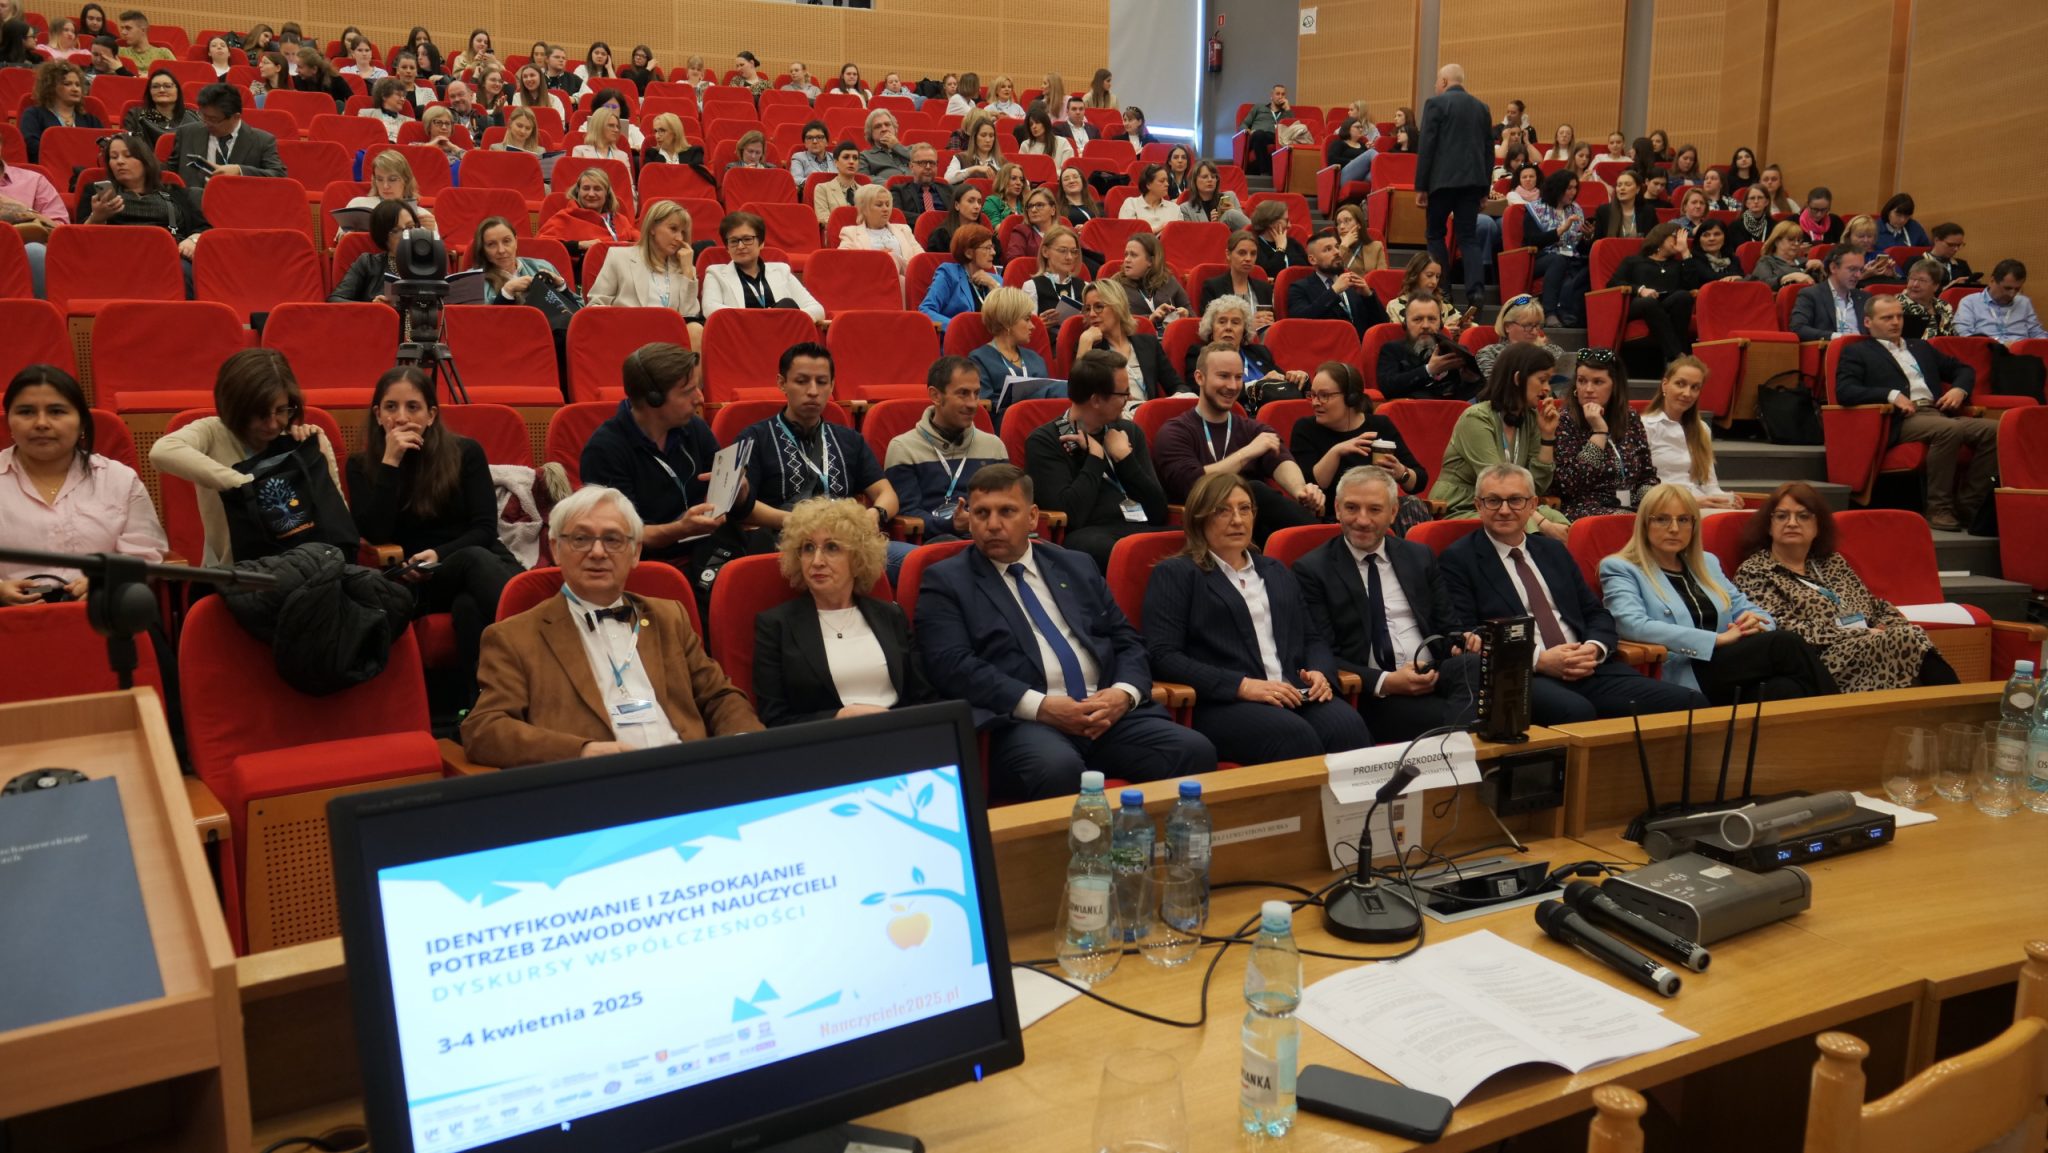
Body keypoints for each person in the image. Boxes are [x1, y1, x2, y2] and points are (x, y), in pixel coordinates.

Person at [916, 464, 1214, 800]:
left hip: (1105, 712)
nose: (993, 524)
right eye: (981, 513)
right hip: (1026, 722)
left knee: (1192, 749)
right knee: (1056, 769)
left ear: (1032, 517)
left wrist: (1123, 694)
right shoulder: (947, 580)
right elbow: (952, 665)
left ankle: (1154, 850)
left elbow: (1126, 640)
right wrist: (1041, 707)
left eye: (1006, 512)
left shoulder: (1076, 565)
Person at [461, 485, 762, 767]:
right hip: (597, 790)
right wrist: (583, 751)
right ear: (555, 548)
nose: (597, 552)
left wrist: (744, 743)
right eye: (580, 539)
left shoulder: (670, 617)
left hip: (690, 776)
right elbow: (484, 729)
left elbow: (720, 696)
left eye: (613, 539)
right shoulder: (514, 636)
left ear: (635, 552)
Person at [1441, 462, 1707, 722]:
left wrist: (1594, 648)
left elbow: (1595, 613)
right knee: (1577, 711)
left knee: (1690, 703)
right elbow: (1468, 634)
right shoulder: (1459, 559)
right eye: (1493, 501)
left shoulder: (1553, 551)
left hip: (1589, 668)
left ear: (1533, 505)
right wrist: (1538, 660)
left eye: (1515, 500)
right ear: (1478, 506)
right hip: (1523, 675)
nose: (1504, 510)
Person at [1144, 472, 1371, 761]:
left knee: (1347, 727)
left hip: (1292, 691)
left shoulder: (1275, 570)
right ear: (1199, 518)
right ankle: (1298, 809)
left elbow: (1312, 637)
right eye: (1222, 511)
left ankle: (1348, 810)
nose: (1237, 520)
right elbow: (1162, 655)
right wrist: (1242, 685)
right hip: (1223, 702)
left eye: (1244, 509)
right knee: (1292, 736)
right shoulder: (1178, 574)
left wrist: (1320, 673)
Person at [346, 367, 521, 700]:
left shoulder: (466, 452)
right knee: (473, 562)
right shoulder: (361, 466)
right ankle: (543, 640)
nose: (401, 417)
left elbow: (484, 528)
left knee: (470, 609)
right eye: (390, 407)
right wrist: (390, 463)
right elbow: (375, 534)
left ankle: (479, 709)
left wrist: (441, 553)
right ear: (377, 415)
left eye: (413, 407)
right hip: (416, 577)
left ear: (431, 415)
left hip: (478, 560)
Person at [1295, 464, 1484, 741]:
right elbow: (1322, 652)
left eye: (1374, 509)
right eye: (1351, 508)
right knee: (1469, 718)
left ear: (1393, 512)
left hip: (1430, 672)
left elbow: (1448, 629)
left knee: (1478, 670)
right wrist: (1387, 682)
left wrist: (1461, 641)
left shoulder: (1419, 557)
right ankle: (1463, 747)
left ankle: (1460, 742)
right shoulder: (1313, 570)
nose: (1362, 520)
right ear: (1336, 509)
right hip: (1373, 692)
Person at [1600, 485, 1835, 706]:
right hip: (1683, 668)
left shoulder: (1706, 563)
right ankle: (1844, 721)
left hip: (1728, 665)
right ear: (1644, 525)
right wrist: (1715, 640)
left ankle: (1830, 742)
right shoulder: (1621, 567)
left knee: (1786, 689)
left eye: (1683, 520)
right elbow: (1630, 625)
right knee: (1785, 643)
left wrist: (1755, 623)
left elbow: (1748, 608)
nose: (1674, 528)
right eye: (1662, 519)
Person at [1732, 482, 1957, 693]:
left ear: (1818, 526)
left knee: (1907, 636)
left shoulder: (1832, 562)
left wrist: (1892, 626)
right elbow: (1782, 631)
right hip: (1819, 661)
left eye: (1803, 516)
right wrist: (1860, 632)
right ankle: (1961, 710)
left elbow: (1874, 605)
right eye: (1782, 516)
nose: (1792, 523)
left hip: (1869, 646)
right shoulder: (1757, 571)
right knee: (1909, 641)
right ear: (1769, 526)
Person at [578, 343, 752, 601]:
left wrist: (739, 489)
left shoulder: (693, 428)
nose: (700, 398)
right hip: (651, 567)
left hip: (709, 550)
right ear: (654, 400)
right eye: (688, 391)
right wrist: (681, 528)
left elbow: (735, 506)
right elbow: (625, 536)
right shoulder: (605, 450)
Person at [149, 348, 341, 566]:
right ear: (236, 409)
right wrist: (244, 484)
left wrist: (314, 454)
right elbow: (162, 451)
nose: (273, 424)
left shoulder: (301, 439)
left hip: (307, 570)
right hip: (235, 575)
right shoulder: (213, 432)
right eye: (260, 414)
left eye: (281, 410)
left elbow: (336, 520)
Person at [751, 497, 932, 728]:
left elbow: (923, 698)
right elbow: (774, 719)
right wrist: (839, 718)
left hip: (899, 736)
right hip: (825, 747)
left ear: (857, 558)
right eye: (808, 548)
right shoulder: (775, 626)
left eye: (832, 547)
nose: (816, 561)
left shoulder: (891, 615)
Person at [0, 365, 166, 604]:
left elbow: (145, 553)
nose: (41, 423)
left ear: (81, 424)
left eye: (56, 411)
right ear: (10, 424)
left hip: (104, 610)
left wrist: (109, 582)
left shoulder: (118, 479)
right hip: (9, 617)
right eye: (26, 412)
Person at [737, 343, 907, 575]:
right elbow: (743, 507)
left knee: (919, 561)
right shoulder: (756, 437)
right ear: (781, 383)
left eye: (822, 382)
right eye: (802, 381)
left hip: (848, 543)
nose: (813, 391)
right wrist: (796, 521)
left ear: (832, 385)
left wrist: (875, 513)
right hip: (785, 544)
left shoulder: (849, 439)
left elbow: (887, 494)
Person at [1837, 294, 1998, 532]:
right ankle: (1938, 508)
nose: (1895, 322)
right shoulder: (1858, 352)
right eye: (1887, 317)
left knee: (1997, 430)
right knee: (1949, 430)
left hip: (1937, 413)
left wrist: (1959, 390)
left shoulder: (1920, 347)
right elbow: (1845, 391)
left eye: (1899, 316)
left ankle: (1968, 503)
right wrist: (1890, 394)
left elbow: (1963, 369)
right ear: (1868, 322)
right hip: (1900, 419)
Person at [1152, 343, 1324, 543]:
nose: (1233, 386)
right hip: (1202, 525)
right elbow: (1194, 484)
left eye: (1238, 377)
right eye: (1223, 376)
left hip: (1252, 527)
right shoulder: (1174, 432)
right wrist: (1248, 453)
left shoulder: (1251, 428)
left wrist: (1301, 492)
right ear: (1199, 377)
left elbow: (1280, 456)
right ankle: (1324, 543)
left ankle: (1320, 542)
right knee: (1253, 490)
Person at [1024, 349, 1169, 571]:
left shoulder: (1127, 432)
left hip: (1139, 527)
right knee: (1120, 551)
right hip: (1090, 535)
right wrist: (1096, 457)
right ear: (1096, 400)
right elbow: (1071, 515)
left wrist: (1125, 458)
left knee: (1197, 542)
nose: (1129, 399)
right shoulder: (1046, 441)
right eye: (1123, 393)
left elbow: (1158, 512)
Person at [1433, 343, 1567, 535]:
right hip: (1465, 506)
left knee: (1566, 525)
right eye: (1542, 380)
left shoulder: (1530, 418)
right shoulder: (1476, 418)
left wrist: (1547, 436)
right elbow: (1497, 484)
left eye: (1549, 382)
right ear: (1518, 379)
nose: (1547, 389)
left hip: (1511, 505)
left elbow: (1535, 486)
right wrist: (1544, 524)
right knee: (1533, 528)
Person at [883, 356, 1009, 543]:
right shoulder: (904, 448)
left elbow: (1007, 503)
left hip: (990, 538)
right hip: (936, 542)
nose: (973, 404)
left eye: (976, 393)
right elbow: (907, 515)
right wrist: (951, 524)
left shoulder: (993, 446)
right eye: (963, 393)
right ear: (935, 396)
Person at [1293, 360, 1427, 509]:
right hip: (1332, 515)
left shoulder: (1380, 426)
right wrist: (1336, 452)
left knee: (1413, 505)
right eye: (1313, 395)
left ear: (1351, 398)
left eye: (1324, 396)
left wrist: (1402, 473)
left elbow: (1419, 482)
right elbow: (1310, 487)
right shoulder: (1305, 429)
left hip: (1377, 512)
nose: (1315, 403)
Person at [1415, 64, 1492, 311]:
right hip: (1473, 183)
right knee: (1468, 237)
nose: (1436, 86)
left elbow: (1427, 147)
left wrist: (1421, 186)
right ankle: (1476, 292)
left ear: (1445, 82)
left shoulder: (1435, 104)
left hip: (1442, 183)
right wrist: (1484, 189)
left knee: (1435, 234)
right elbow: (1488, 152)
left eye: (1437, 81)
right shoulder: (1482, 108)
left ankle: (1443, 288)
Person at [1554, 345, 1658, 521]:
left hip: (1631, 505)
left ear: (1614, 386)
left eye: (1598, 382)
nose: (1588, 389)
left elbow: (1646, 476)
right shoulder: (1564, 421)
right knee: (1630, 520)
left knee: (1671, 514)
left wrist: (1655, 500)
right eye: (1582, 381)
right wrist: (1599, 432)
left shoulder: (1629, 417)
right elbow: (1569, 485)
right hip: (1584, 507)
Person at [78, 132, 208, 261]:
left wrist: (193, 239)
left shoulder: (177, 193)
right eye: (114, 157)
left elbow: (204, 228)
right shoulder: (96, 193)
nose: (120, 162)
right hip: (115, 257)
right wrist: (96, 218)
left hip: (168, 256)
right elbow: (77, 240)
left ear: (145, 160)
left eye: (128, 155)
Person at [585, 198, 699, 346]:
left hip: (669, 344)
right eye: (673, 229)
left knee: (695, 329)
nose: (679, 238)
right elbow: (596, 305)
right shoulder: (619, 257)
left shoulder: (684, 267)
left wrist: (688, 271)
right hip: (627, 337)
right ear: (652, 228)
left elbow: (689, 315)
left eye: (683, 232)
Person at [1642, 355, 1741, 509]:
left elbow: (1710, 486)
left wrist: (1726, 499)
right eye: (1680, 384)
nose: (1687, 393)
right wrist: (1691, 502)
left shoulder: (1702, 429)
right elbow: (1638, 488)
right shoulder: (1644, 426)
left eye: (1695, 387)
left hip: (1699, 503)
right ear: (1665, 385)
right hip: (1665, 506)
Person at [701, 209, 824, 323]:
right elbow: (710, 309)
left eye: (747, 239)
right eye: (733, 241)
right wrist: (761, 318)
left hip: (781, 333)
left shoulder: (781, 270)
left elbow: (817, 310)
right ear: (727, 248)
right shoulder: (715, 273)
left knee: (787, 303)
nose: (740, 246)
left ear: (761, 243)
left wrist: (784, 315)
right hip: (740, 337)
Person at [1074, 279, 1182, 406]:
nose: (1091, 314)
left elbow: (1176, 385)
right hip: (1116, 417)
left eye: (1099, 307)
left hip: (1148, 414)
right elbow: (1079, 397)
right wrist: (1085, 344)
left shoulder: (1148, 343)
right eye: (1087, 309)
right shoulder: (1089, 347)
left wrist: (1179, 396)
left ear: (1118, 306)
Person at [1607, 222, 1700, 362]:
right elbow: (1612, 284)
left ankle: (1675, 357)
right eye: (1676, 236)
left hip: (1665, 304)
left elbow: (1692, 286)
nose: (1680, 241)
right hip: (1637, 304)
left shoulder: (1677, 265)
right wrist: (1640, 289)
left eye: (1682, 238)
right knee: (1649, 302)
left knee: (1683, 296)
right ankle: (1678, 355)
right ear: (1661, 237)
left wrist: (1685, 252)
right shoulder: (1634, 261)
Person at [171, 83, 283, 191]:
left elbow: (279, 175)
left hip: (240, 204)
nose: (206, 123)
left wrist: (240, 171)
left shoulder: (263, 140)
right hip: (191, 205)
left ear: (236, 117)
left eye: (214, 120)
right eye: (203, 116)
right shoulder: (187, 133)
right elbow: (170, 172)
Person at [1377, 296, 1481, 402]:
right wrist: (1429, 370)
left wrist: (1470, 381)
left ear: (1440, 323)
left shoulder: (1456, 352)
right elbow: (1388, 388)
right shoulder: (1392, 350)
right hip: (1410, 412)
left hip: (1450, 413)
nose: (1426, 325)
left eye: (1431, 319)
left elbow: (1469, 395)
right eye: (1418, 319)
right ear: (1406, 324)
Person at [1289, 228, 1389, 337]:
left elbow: (1381, 324)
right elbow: (1300, 322)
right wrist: (1334, 291)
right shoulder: (1299, 288)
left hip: (1359, 348)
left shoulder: (1353, 284)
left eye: (1337, 247)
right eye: (1327, 249)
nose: (1337, 252)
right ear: (1313, 260)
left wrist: (1368, 296)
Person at [1187, 294, 1301, 389]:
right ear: (1211, 328)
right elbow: (1201, 390)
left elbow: (1281, 380)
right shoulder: (1199, 353)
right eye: (1222, 322)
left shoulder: (1259, 353)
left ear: (1244, 331)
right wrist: (1258, 385)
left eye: (1235, 322)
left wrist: (1297, 378)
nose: (1228, 327)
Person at [1526, 169, 1593, 327]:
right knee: (1558, 260)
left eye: (1575, 188)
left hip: (1571, 256)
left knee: (1585, 264)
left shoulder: (1576, 209)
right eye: (1569, 188)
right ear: (1558, 188)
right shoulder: (1535, 209)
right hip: (1540, 259)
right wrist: (1560, 230)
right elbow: (1531, 241)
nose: (1573, 192)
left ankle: (1574, 317)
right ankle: (1549, 312)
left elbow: (1579, 247)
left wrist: (1587, 237)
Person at [965, 286, 1050, 406]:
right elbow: (984, 405)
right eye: (1026, 319)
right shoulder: (979, 359)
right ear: (1007, 322)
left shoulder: (1036, 359)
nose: (1032, 326)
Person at [328, 199, 419, 303]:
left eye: (410, 227)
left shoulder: (431, 263)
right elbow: (334, 300)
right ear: (383, 236)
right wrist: (373, 308)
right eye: (395, 231)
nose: (406, 234)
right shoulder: (368, 263)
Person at [919, 224, 1001, 333]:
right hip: (959, 344)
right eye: (987, 248)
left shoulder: (996, 280)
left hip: (991, 346)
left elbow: (1011, 319)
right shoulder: (949, 274)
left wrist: (993, 286)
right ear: (968, 253)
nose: (993, 253)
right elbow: (925, 311)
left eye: (993, 247)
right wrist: (960, 329)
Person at [21, 59, 101, 162]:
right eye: (67, 84)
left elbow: (103, 149)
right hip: (48, 168)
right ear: (51, 87)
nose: (75, 89)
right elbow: (33, 147)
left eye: (78, 85)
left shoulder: (91, 120)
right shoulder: (34, 115)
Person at [543, 168, 637, 254]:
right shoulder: (564, 218)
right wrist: (579, 245)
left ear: (607, 194)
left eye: (597, 189)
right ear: (578, 192)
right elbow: (544, 246)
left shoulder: (621, 220)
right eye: (586, 188)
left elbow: (642, 244)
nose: (591, 194)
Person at [1477, 295, 1569, 381]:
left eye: (1537, 325)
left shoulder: (1554, 351)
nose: (1534, 332)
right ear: (1507, 326)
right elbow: (1498, 388)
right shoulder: (1490, 354)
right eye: (1527, 325)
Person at [1954, 260, 2047, 344]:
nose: (2012, 294)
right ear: (1992, 281)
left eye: (2017, 289)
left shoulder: (2024, 302)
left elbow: (2037, 333)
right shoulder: (1970, 302)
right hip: (1986, 352)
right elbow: (1963, 336)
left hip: (2021, 354)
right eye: (2007, 288)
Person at [836, 181, 919, 274]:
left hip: (905, 278)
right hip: (870, 281)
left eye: (888, 205)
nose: (885, 209)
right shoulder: (850, 233)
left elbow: (920, 260)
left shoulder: (904, 230)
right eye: (879, 205)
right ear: (864, 209)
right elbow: (844, 263)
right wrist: (877, 258)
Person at [1789, 248, 1870, 342]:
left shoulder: (1865, 298)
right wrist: (1835, 337)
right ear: (1833, 268)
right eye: (1852, 269)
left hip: (1863, 350)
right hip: (1831, 349)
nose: (1858, 275)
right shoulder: (1811, 294)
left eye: (1861, 270)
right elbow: (1798, 328)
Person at [1115, 231, 1191, 327]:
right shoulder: (1115, 285)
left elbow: (1194, 319)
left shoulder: (1168, 281)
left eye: (1133, 255)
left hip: (1168, 337)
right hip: (1136, 339)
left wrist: (1186, 315)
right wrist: (1149, 319)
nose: (1127, 260)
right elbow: (1114, 323)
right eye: (1126, 255)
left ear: (1150, 261)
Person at [1384, 250, 1469, 331]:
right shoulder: (1395, 306)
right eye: (1429, 275)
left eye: (1437, 276)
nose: (1434, 282)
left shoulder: (1444, 305)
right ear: (1415, 275)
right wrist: (1442, 332)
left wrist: (1464, 326)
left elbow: (1457, 324)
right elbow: (1401, 337)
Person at [1202, 230, 1275, 322]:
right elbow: (1209, 326)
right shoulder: (1213, 287)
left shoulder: (1265, 289)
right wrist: (1250, 326)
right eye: (1242, 253)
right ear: (1228, 254)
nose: (1248, 258)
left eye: (1253, 254)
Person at [1022, 222, 1087, 324]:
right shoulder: (1032, 287)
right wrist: (1039, 325)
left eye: (1074, 251)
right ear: (1045, 252)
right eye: (1062, 250)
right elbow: (1024, 332)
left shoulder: (1085, 286)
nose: (1069, 257)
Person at [122, 68, 197, 149]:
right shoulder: (136, 115)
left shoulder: (193, 116)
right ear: (149, 92)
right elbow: (129, 146)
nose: (161, 90)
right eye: (155, 86)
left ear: (177, 91)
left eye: (167, 86)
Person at [1236, 84, 1291, 176]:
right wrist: (1248, 130)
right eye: (1277, 94)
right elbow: (1243, 124)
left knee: (1278, 140)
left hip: (1275, 137)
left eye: (1283, 94)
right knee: (1259, 134)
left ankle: (1260, 169)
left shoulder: (1286, 112)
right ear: (1271, 95)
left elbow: (1291, 129)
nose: (1280, 96)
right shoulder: (1259, 108)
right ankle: (1265, 172)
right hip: (1257, 135)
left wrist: (1288, 109)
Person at [891, 142, 953, 223]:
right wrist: (930, 220)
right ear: (911, 167)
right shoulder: (899, 191)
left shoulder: (949, 190)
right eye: (922, 163)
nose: (928, 167)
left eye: (932, 163)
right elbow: (897, 216)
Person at [1750, 220, 1820, 289]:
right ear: (1777, 241)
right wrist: (1788, 278)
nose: (1796, 244)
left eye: (1798, 240)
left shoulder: (1805, 262)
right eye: (1791, 240)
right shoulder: (1767, 261)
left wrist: (1821, 269)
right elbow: (1762, 284)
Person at [1248, 198, 1307, 278]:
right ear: (1271, 222)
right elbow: (1270, 274)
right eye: (1286, 220)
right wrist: (1280, 249)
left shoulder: (1293, 243)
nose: (1289, 225)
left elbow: (1308, 269)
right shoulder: (1254, 246)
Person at [922, 184, 987, 254]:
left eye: (979, 202)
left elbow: (996, 264)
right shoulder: (942, 236)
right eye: (971, 201)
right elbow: (936, 262)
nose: (977, 206)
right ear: (957, 205)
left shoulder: (985, 235)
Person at [1900, 258, 1956, 340]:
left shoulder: (1945, 307)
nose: (1915, 285)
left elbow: (1951, 338)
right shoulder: (1896, 306)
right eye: (1912, 279)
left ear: (1935, 286)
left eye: (1922, 280)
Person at [1593, 169, 1656, 240]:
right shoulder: (1604, 211)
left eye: (1627, 185)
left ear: (1637, 189)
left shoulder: (1648, 212)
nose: (1622, 188)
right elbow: (1597, 243)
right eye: (1619, 185)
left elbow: (1653, 241)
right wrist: (1589, 236)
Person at [946, 112, 1003, 185]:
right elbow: (947, 179)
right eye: (983, 135)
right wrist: (974, 169)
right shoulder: (960, 158)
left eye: (991, 136)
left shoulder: (1002, 161)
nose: (988, 140)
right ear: (974, 137)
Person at [1116, 163, 1177, 231]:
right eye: (1162, 181)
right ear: (1148, 185)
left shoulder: (1175, 208)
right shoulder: (1131, 204)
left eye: (1167, 181)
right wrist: (1159, 230)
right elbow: (1127, 233)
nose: (1167, 184)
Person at [1333, 202, 1387, 279]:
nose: (1341, 227)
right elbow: (1331, 273)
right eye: (1338, 223)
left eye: (1347, 221)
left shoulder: (1376, 247)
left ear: (1359, 224)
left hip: (1368, 289)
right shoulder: (1332, 249)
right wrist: (1344, 246)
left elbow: (1382, 278)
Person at [859, 109, 912, 182]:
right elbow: (863, 179)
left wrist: (896, 146)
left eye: (887, 124)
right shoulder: (864, 156)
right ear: (871, 134)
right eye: (878, 126)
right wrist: (892, 184)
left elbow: (925, 163)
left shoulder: (912, 150)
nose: (884, 129)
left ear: (895, 128)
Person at [1688, 219, 1744, 285]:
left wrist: (1738, 277)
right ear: (1699, 240)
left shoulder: (1733, 259)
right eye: (1706, 235)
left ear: (1725, 238)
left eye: (1717, 234)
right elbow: (1710, 277)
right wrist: (1737, 277)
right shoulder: (1693, 259)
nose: (1712, 238)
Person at [358, 76, 411, 144]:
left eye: (404, 96)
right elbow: (363, 139)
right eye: (398, 95)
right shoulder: (366, 114)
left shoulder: (409, 121)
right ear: (384, 96)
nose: (403, 99)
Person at [1923, 222, 1976, 288]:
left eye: (1959, 245)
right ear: (1936, 240)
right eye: (1951, 245)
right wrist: (1950, 288)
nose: (1956, 249)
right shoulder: (1917, 262)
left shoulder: (1962, 264)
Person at [789, 119, 834, 190]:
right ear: (805, 143)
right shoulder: (799, 157)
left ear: (827, 142)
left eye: (819, 137)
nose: (815, 141)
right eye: (810, 138)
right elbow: (796, 180)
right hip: (813, 194)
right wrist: (820, 184)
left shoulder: (836, 158)